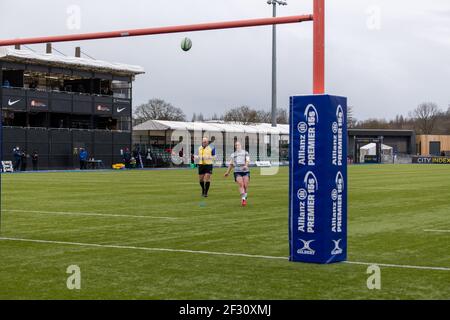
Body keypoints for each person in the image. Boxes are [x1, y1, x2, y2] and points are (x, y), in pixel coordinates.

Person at [224, 141, 251, 207]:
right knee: (241, 184)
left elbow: (247, 160)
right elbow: (231, 164)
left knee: (245, 186)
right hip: (237, 171)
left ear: (241, 145)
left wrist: (246, 165)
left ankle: (244, 195)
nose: (237, 146)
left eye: (238, 145)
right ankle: (243, 199)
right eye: (236, 145)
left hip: (245, 171)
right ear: (235, 146)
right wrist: (227, 172)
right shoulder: (233, 155)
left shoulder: (245, 153)